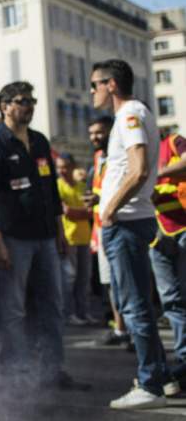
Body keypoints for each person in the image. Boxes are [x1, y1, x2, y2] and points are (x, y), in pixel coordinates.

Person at [0, 81, 87, 390]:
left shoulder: (39, 142)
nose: (29, 105)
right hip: (13, 239)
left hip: (46, 237)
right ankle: (20, 370)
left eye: (32, 100)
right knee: (14, 309)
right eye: (22, 101)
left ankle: (53, 370)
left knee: (52, 304)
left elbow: (50, 188)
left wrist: (59, 230)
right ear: (5, 106)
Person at [91, 59, 176, 409]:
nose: (92, 92)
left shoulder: (130, 115)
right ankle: (162, 376)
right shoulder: (134, 115)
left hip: (125, 223)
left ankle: (150, 383)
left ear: (111, 85)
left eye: (95, 84)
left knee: (134, 305)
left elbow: (140, 169)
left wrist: (110, 208)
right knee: (136, 301)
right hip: (129, 220)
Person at [85, 115, 129, 347]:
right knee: (110, 283)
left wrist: (100, 198)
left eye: (99, 132)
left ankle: (131, 330)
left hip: (120, 226)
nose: (94, 137)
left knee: (125, 281)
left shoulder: (121, 156)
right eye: (92, 133)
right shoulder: (98, 157)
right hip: (101, 229)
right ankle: (120, 327)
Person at [147, 129, 186, 384]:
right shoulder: (136, 153)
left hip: (182, 228)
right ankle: (184, 360)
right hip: (157, 236)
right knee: (171, 300)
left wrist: (155, 175)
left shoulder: (172, 142)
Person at [55, 153, 93, 325]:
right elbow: (66, 211)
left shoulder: (81, 186)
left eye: (65, 166)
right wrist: (80, 213)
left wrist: (76, 212)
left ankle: (83, 313)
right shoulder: (57, 186)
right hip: (68, 239)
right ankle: (69, 314)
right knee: (69, 279)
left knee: (84, 279)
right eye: (59, 167)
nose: (62, 170)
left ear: (72, 166)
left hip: (85, 237)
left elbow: (89, 211)